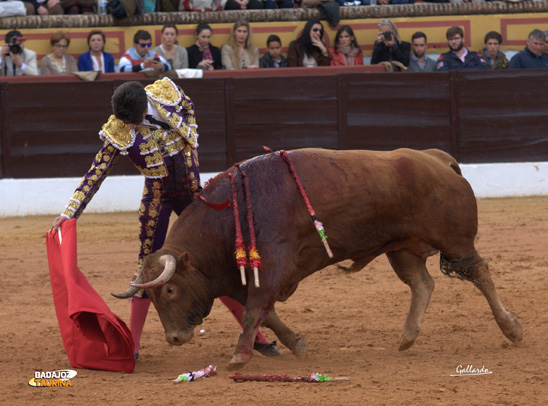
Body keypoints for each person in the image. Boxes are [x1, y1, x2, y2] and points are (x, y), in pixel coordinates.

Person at [51, 78, 281, 360]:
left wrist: (191, 146)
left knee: (216, 267)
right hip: (157, 200)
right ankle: (133, 347)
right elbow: (95, 174)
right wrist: (69, 213)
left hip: (194, 199)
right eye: (128, 124)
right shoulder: (120, 127)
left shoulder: (167, 94)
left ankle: (257, 338)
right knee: (144, 271)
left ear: (144, 106)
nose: (131, 128)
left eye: (134, 122)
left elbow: (190, 111)